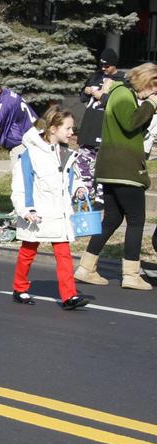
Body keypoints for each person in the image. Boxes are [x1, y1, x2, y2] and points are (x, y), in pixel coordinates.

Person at [74, 63, 157, 290]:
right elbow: (130, 124)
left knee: (111, 219)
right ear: (145, 81)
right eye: (153, 86)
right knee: (137, 221)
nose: (153, 92)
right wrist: (150, 104)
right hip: (124, 169)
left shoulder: (122, 94)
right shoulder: (122, 94)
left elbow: (134, 126)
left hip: (112, 168)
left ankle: (86, 267)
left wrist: (147, 108)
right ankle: (131, 274)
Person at [10, 108, 89, 309]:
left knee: (64, 254)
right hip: (37, 214)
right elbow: (20, 185)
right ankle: (20, 288)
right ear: (53, 129)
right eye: (68, 128)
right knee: (28, 251)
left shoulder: (67, 153)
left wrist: (79, 189)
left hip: (60, 213)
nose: (72, 133)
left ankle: (69, 296)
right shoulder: (31, 155)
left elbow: (74, 178)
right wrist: (25, 210)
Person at [76, 48, 121, 201]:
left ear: (114, 65)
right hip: (89, 127)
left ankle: (102, 197)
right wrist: (87, 91)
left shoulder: (121, 80)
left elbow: (117, 102)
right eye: (102, 65)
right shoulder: (95, 77)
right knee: (83, 162)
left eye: (107, 66)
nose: (104, 69)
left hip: (104, 129)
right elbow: (82, 97)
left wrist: (101, 94)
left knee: (102, 164)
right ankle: (84, 194)